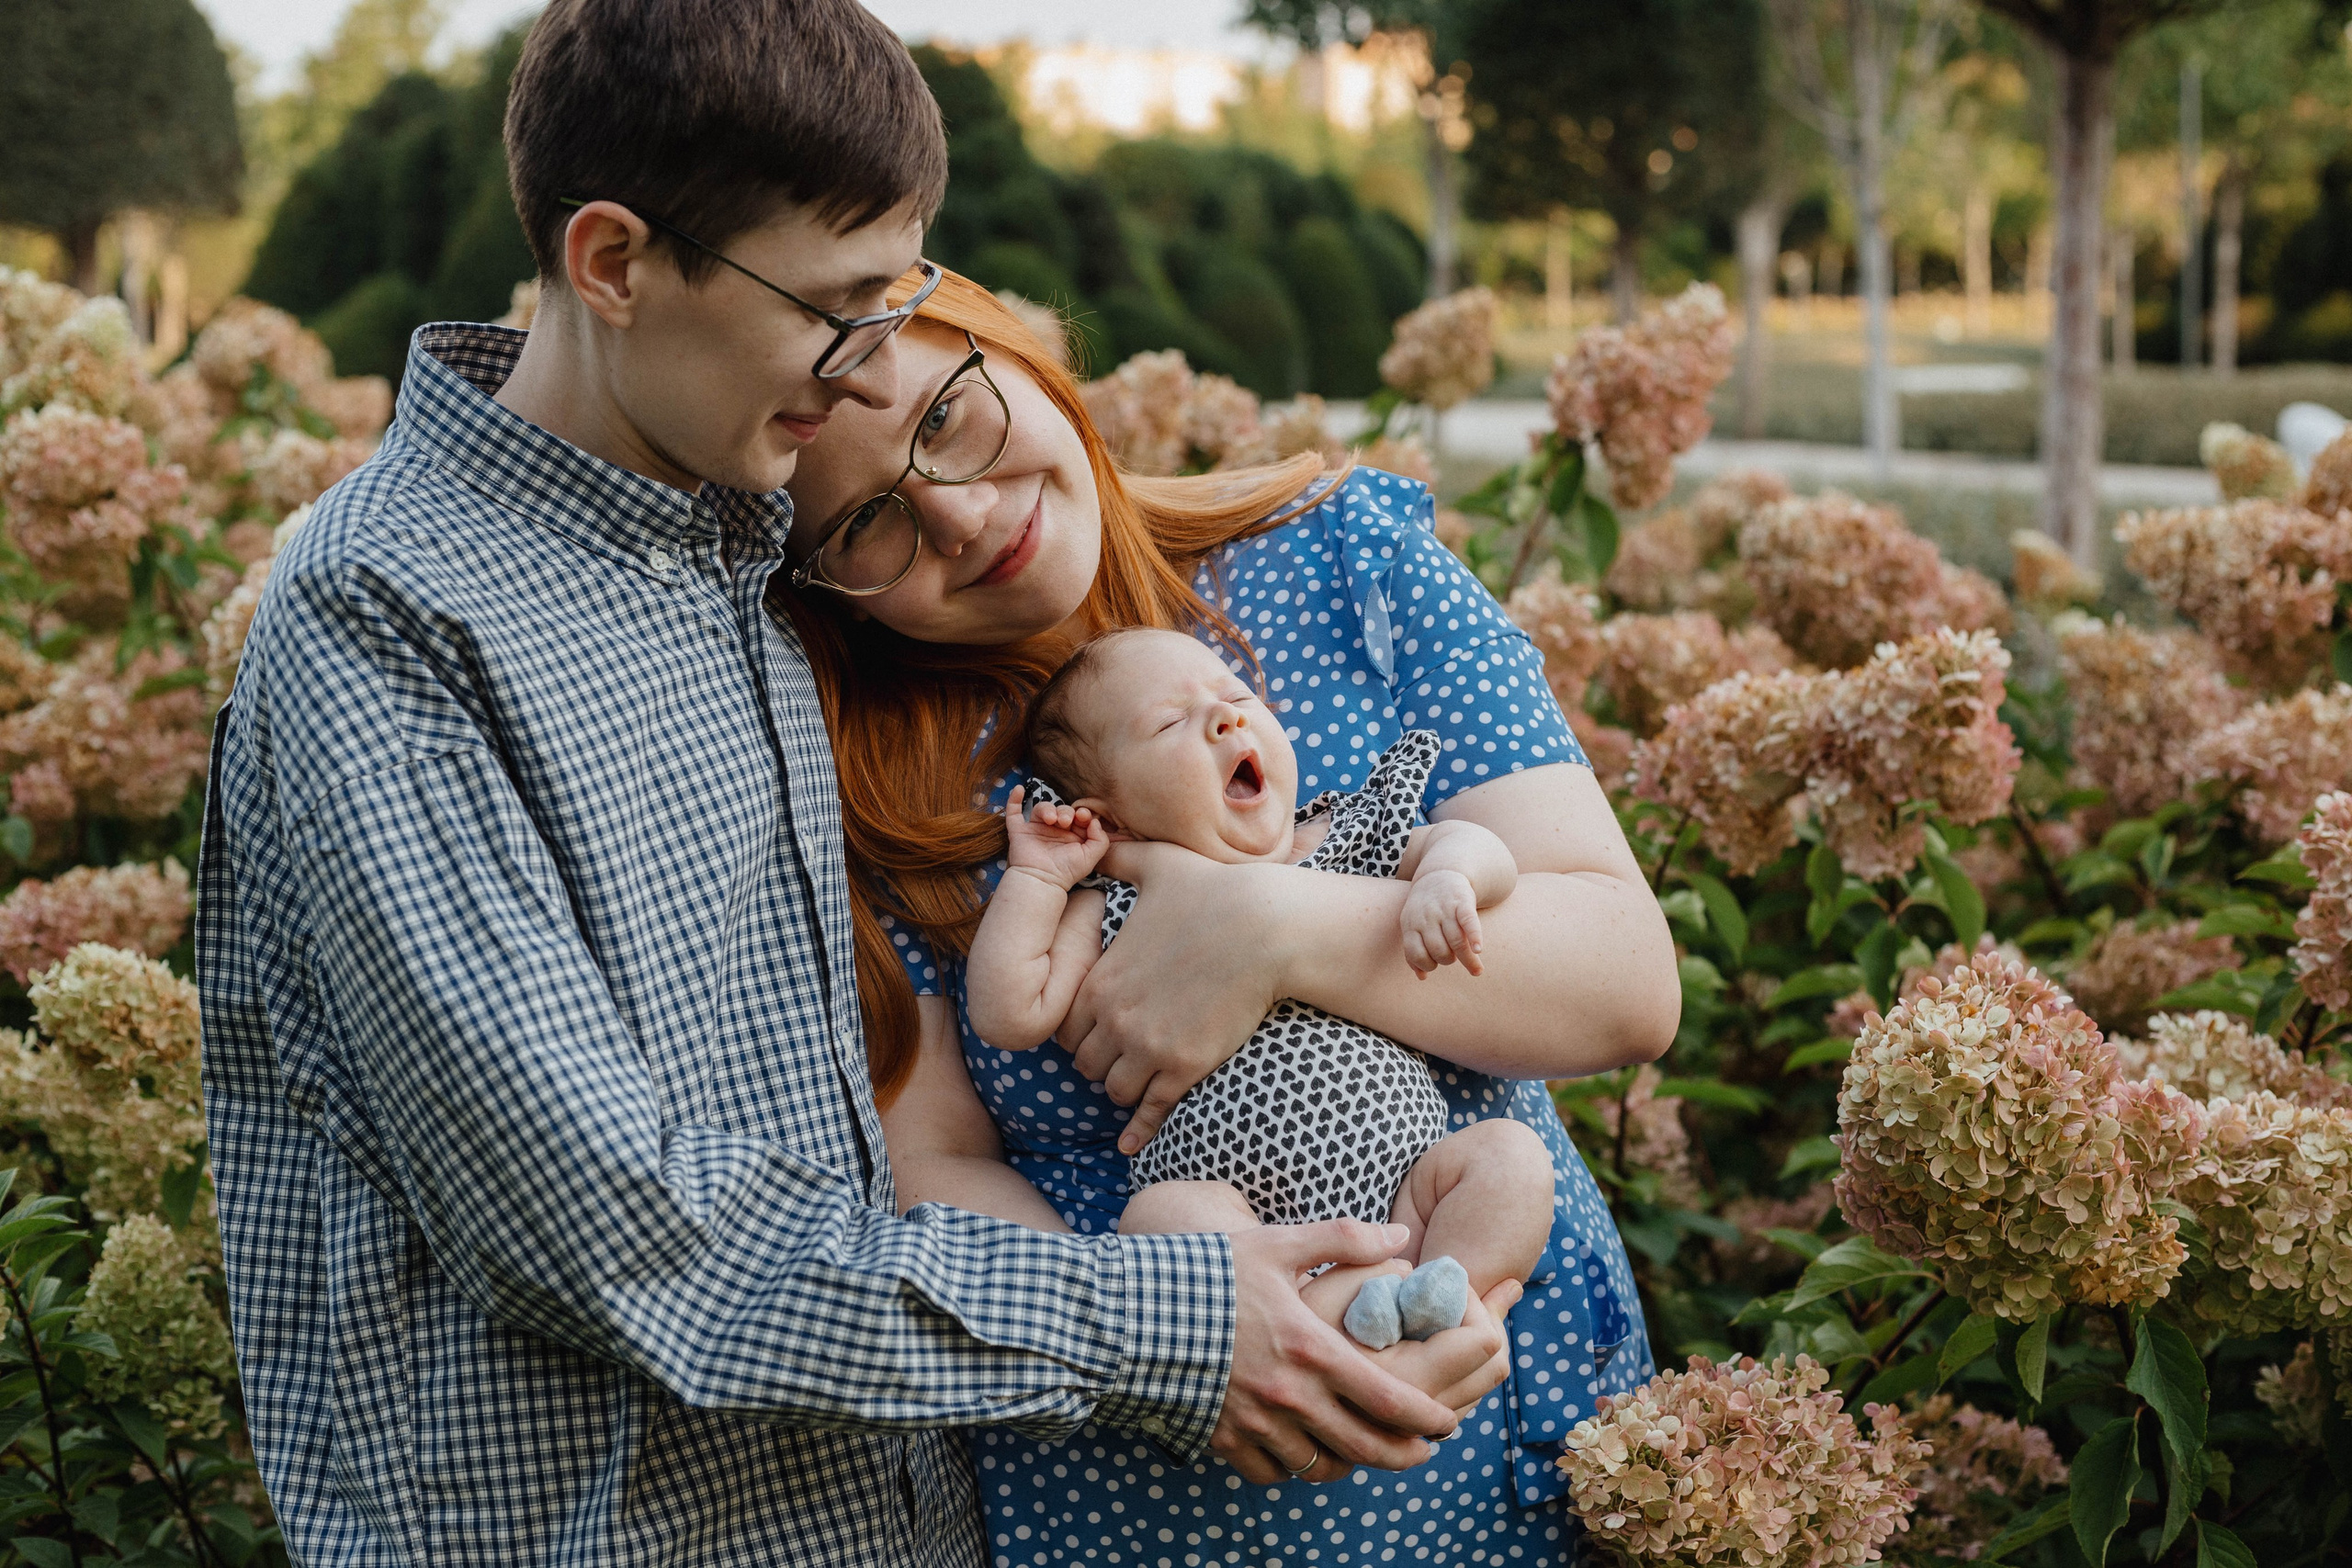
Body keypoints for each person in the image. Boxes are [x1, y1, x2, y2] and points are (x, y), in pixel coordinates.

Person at [193, 5, 1498, 1564]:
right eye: (834, 309)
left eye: (903, 298)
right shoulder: (394, 619)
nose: (871, 368)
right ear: (611, 262)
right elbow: (606, 1226)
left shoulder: (749, 544)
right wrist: (1163, 1324)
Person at [776, 271, 1683, 1565]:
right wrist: (1181, 1337)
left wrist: (1269, 924)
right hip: (1151, 1485)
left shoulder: (1343, 556)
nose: (963, 516)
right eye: (871, 521)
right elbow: (927, 1161)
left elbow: (1627, 982)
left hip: (1508, 1446)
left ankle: (1435, 1291)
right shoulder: (870, 773)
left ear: (1021, 352)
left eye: (948, 416)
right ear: (826, 580)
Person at [966, 628, 1555, 1347]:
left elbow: (1479, 846)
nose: (1226, 716)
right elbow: (1008, 1013)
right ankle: (1319, 1332)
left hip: (1411, 1195)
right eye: (1168, 722)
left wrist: (1448, 876)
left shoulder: (1347, 837)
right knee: (1159, 1218)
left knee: (1511, 1159)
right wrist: (1037, 876)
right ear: (1111, 815)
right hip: (1246, 1229)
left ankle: (1445, 1303)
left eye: (1237, 696)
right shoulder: (1115, 902)